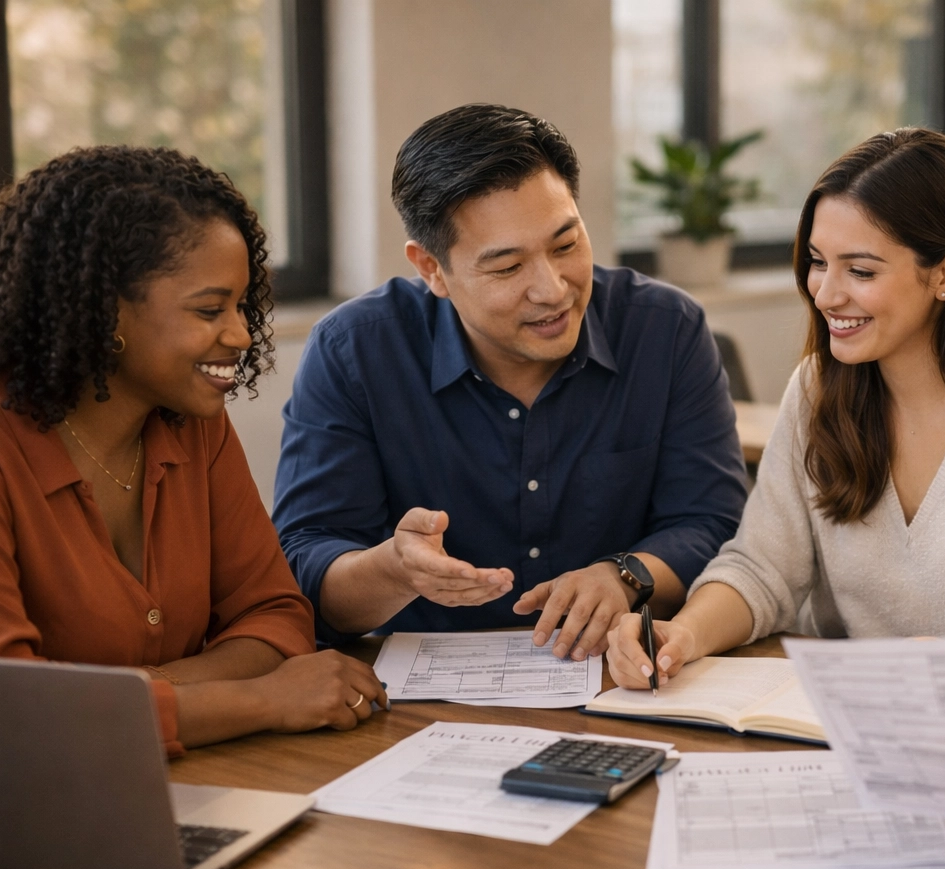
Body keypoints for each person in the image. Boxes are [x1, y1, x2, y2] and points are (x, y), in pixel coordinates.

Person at [606, 128, 945, 690]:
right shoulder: (817, 389)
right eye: (817, 262)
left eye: (860, 271)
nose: (825, 294)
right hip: (836, 725)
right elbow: (761, 570)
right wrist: (682, 635)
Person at [0, 146, 387, 758]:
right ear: (103, 310)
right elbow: (13, 714)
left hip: (197, 780)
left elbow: (276, 617)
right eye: (209, 309)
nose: (242, 334)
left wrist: (119, 702)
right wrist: (265, 699)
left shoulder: (196, 427)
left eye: (243, 304)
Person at [274, 104, 748, 659]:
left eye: (566, 245)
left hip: (620, 677)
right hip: (418, 697)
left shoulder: (664, 328)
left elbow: (713, 521)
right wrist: (392, 571)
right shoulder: (355, 349)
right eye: (507, 267)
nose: (552, 289)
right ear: (431, 269)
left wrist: (625, 575)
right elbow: (304, 563)